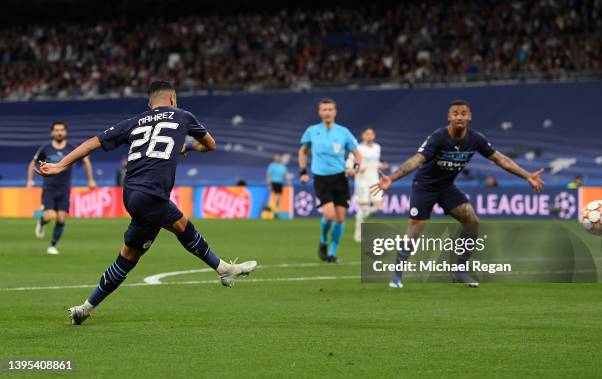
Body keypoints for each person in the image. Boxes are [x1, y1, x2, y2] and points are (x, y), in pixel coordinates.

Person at [35, 80, 257, 325]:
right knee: (128, 257)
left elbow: (93, 143)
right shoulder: (183, 116)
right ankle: (86, 308)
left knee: (182, 225)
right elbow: (210, 145)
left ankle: (223, 269)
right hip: (151, 195)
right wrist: (187, 147)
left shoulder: (136, 121)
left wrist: (60, 165)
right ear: (172, 99)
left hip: (133, 193)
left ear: (149, 104)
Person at [371, 99, 544, 288]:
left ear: (469, 117)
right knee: (415, 227)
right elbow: (417, 160)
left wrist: (527, 176)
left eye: (463, 113)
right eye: (455, 113)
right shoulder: (438, 137)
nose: (459, 116)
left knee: (472, 222)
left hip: (446, 187)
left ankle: (460, 270)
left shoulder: (476, 139)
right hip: (424, 186)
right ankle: (397, 276)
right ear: (449, 117)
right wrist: (392, 178)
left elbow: (501, 160)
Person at [298, 98, 362, 263]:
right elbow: (303, 151)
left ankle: (331, 253)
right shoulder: (312, 131)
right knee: (328, 215)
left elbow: (357, 153)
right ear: (319, 112)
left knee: (340, 218)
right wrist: (303, 171)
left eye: (330, 109)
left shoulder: (343, 132)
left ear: (335, 112)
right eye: (324, 109)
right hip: (321, 179)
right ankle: (323, 241)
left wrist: (354, 169)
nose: (327, 112)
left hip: (340, 178)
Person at [27, 121, 96, 255]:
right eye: (57, 130)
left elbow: (85, 161)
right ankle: (41, 222)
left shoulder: (71, 148)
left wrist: (91, 180)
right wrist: (30, 180)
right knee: (48, 216)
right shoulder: (45, 148)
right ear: (52, 132)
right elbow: (32, 163)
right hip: (49, 188)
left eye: (62, 130)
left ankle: (52, 246)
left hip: (65, 189)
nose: (59, 132)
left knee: (61, 218)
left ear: (65, 132)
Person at [346, 127, 388, 242]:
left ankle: (362, 214)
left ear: (374, 136)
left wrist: (381, 165)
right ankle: (358, 234)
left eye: (371, 134)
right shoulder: (358, 148)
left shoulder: (377, 148)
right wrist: (357, 169)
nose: (369, 136)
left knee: (380, 207)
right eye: (367, 134)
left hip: (374, 181)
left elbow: (374, 163)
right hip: (361, 181)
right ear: (363, 136)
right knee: (363, 207)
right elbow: (349, 163)